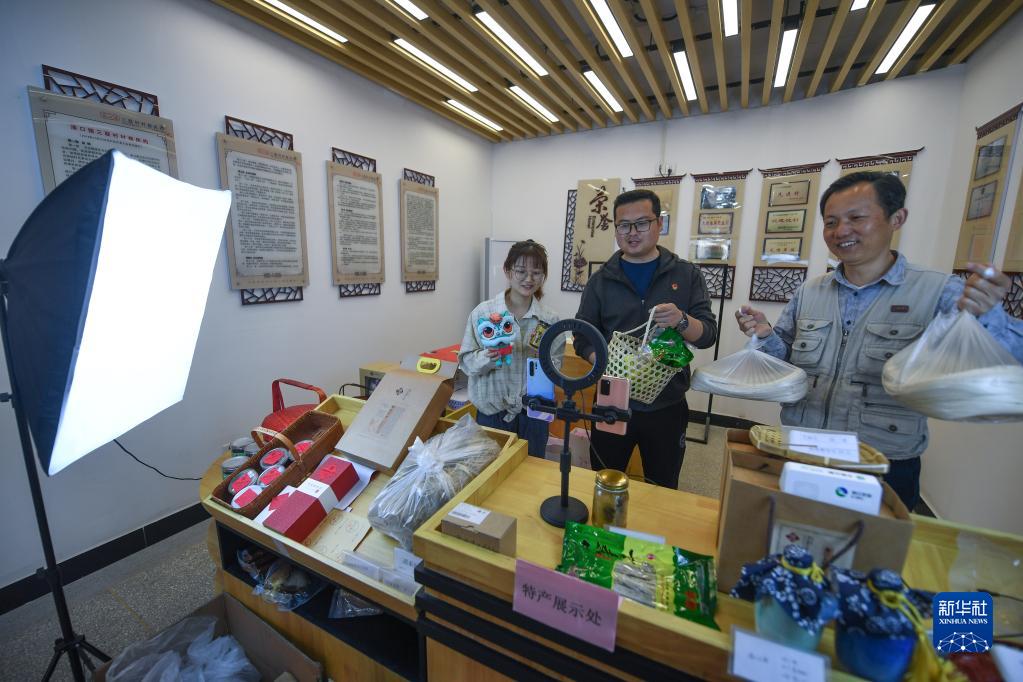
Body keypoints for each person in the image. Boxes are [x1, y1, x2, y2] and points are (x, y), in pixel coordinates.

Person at [735, 171, 1023, 511]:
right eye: (831, 222)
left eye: (856, 218)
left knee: (871, 542)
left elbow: (1009, 359)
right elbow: (784, 363)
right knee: (794, 530)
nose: (841, 231)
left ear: (896, 218)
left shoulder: (939, 291)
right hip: (803, 447)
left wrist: (990, 315)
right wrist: (766, 335)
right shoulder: (810, 292)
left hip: (884, 461)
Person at [574, 188, 718, 489]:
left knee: (663, 485)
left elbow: (707, 335)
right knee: (605, 481)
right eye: (624, 225)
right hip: (612, 402)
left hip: (667, 404)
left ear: (659, 224)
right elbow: (582, 335)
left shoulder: (686, 274)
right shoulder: (601, 280)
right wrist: (604, 361)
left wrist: (681, 320)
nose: (632, 232)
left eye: (641, 223)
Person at [459, 240, 563, 457]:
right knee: (491, 472)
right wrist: (489, 356)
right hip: (492, 414)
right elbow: (466, 362)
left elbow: (557, 367)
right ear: (507, 271)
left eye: (536, 272)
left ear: (543, 276)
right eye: (521, 271)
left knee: (532, 471)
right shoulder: (483, 314)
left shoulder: (550, 320)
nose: (529, 279)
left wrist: (543, 361)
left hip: (534, 414)